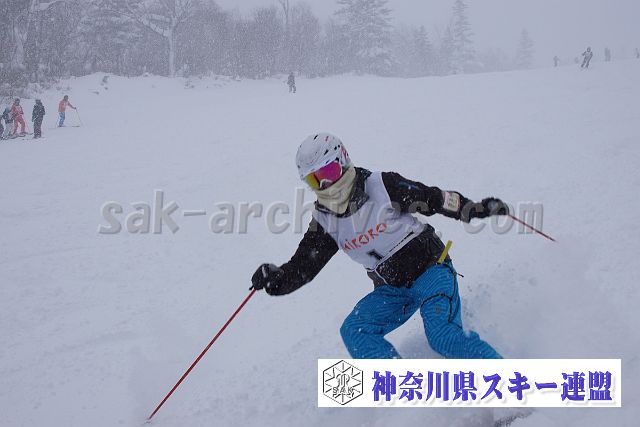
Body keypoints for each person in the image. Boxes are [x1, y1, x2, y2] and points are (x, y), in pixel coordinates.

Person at [251, 133, 508, 359]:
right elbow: (303, 267)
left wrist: (475, 209)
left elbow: (434, 199)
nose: (325, 185)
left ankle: (509, 388)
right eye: (314, 181)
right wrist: (276, 279)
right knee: (355, 330)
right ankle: (404, 391)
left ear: (343, 160)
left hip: (431, 271)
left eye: (328, 173)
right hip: (393, 290)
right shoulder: (325, 220)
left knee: (442, 336)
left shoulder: (382, 186)